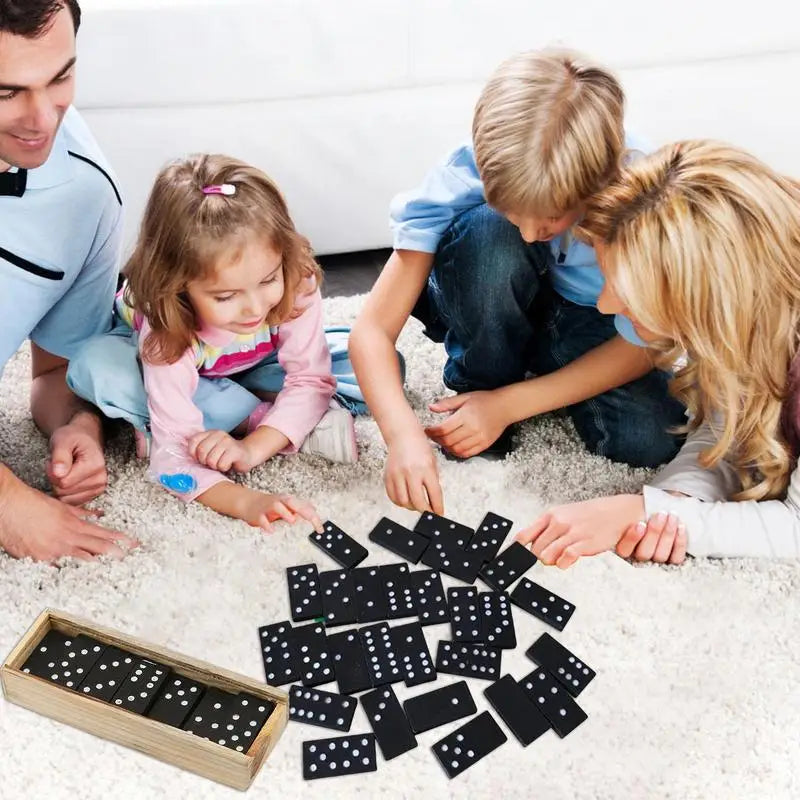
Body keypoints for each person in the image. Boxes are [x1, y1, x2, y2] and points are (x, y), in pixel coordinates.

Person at [350, 48, 685, 516]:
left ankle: (519, 381)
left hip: (595, 319)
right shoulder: (465, 172)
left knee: (650, 441)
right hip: (485, 286)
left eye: (549, 219)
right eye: (514, 211)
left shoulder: (645, 201)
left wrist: (509, 404)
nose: (530, 233)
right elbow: (369, 331)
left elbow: (645, 343)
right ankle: (481, 380)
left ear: (598, 184)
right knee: (492, 237)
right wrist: (401, 435)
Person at [516, 140, 800, 566]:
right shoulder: (742, 325)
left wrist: (649, 511)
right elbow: (723, 431)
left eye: (625, 291)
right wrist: (673, 501)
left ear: (709, 298)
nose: (605, 305)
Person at [68, 153, 362, 531]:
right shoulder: (166, 328)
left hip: (254, 366)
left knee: (369, 360)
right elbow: (172, 459)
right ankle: (269, 419)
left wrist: (254, 447)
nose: (255, 308)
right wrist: (244, 500)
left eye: (268, 280)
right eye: (226, 297)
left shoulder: (294, 279)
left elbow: (309, 377)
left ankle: (242, 417)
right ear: (178, 287)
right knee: (98, 369)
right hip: (170, 368)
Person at [0, 0, 139, 561]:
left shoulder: (84, 193)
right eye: (5, 92)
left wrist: (78, 424)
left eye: (60, 77)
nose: (43, 120)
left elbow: (56, 370)